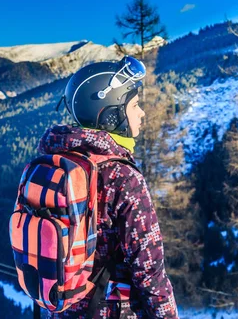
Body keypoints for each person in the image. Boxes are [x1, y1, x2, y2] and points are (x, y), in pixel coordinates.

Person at [39, 57, 179, 319]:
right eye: (134, 105)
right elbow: (149, 271)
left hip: (64, 308)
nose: (142, 113)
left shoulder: (59, 162)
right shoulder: (123, 177)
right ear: (112, 113)